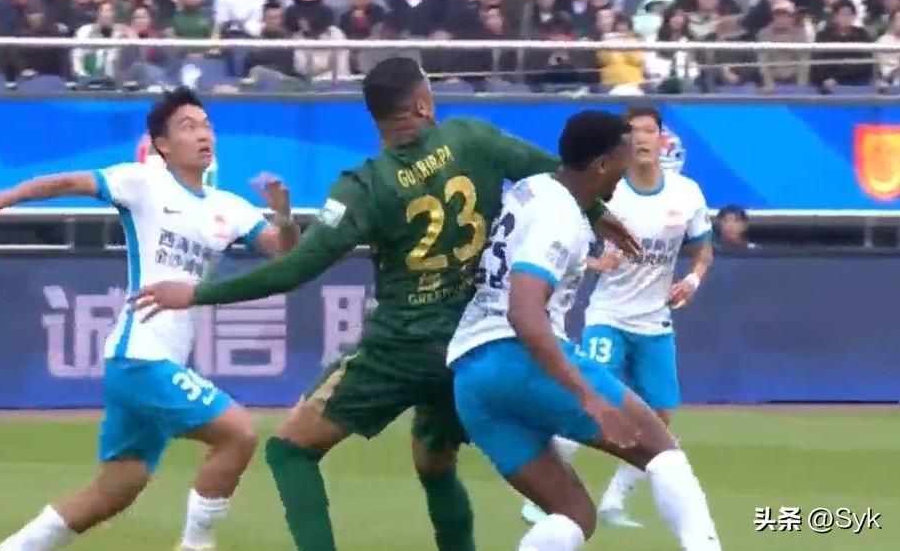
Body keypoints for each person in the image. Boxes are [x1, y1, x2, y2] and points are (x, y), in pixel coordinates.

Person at [130, 57, 641, 551]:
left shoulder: (365, 185)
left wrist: (195, 293)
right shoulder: (472, 139)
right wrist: (597, 211)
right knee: (435, 465)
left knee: (290, 450)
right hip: (467, 348)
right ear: (421, 105)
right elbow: (558, 175)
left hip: (399, 347)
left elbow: (297, 268)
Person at [0, 87, 300, 551]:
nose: (203, 134)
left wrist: (285, 217)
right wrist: (0, 199)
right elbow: (68, 183)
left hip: (153, 362)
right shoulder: (143, 183)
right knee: (238, 434)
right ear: (162, 145)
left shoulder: (229, 207)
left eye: (206, 125)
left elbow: (285, 254)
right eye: (188, 126)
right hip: (141, 358)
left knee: (117, 488)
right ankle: (196, 546)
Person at [449, 110, 721, 551]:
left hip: (472, 379)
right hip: (517, 356)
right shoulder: (561, 218)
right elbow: (524, 312)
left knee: (574, 515)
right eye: (622, 160)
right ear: (601, 164)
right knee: (662, 451)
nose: (626, 170)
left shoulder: (533, 187)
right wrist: (588, 396)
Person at [521, 107, 714, 529]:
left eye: (649, 130)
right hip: (607, 315)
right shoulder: (608, 192)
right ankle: (543, 495)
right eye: (634, 131)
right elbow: (565, 247)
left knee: (660, 418)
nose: (642, 138)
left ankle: (613, 501)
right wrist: (595, 263)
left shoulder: (686, 194)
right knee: (589, 402)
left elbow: (703, 249)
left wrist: (693, 280)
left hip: (655, 322)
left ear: (663, 139)